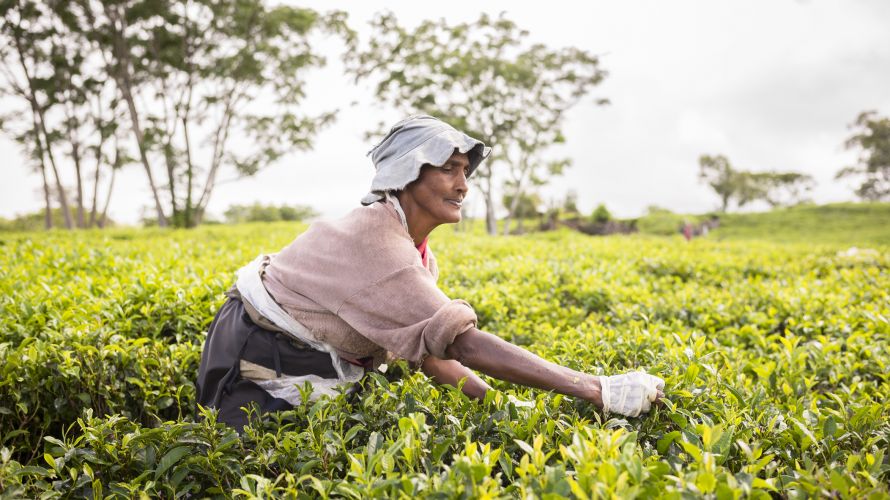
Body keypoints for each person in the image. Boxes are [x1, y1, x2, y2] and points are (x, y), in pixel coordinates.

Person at [196, 115, 665, 430]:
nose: (462, 185)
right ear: (407, 175)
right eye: (447, 169)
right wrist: (596, 389)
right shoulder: (376, 242)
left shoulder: (413, 249)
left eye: (465, 170)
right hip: (257, 366)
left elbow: (429, 353)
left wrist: (503, 408)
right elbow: (461, 341)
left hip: (303, 361)